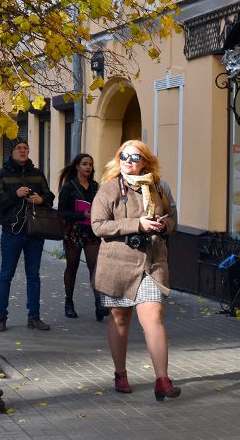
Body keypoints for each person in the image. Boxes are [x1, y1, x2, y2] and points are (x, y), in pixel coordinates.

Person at [91, 140, 180, 401]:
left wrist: (164, 226)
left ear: (145, 162)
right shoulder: (108, 190)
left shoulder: (159, 188)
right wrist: (136, 225)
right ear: (118, 160)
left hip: (152, 262)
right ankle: (120, 372)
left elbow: (173, 220)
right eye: (124, 156)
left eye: (135, 157)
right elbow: (98, 226)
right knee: (120, 319)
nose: (129, 161)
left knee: (154, 316)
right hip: (118, 264)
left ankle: (162, 380)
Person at [0, 137, 54, 332]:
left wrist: (41, 199)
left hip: (35, 231)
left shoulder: (37, 174)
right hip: (12, 232)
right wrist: (14, 194)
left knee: (33, 275)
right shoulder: (1, 175)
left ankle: (34, 317)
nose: (23, 151)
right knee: (6, 275)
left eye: (26, 148)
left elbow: (50, 196)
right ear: (11, 152)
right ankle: (1, 318)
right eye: (19, 148)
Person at [57, 153, 106, 321]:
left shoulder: (94, 186)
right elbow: (62, 213)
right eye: (84, 164)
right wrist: (81, 214)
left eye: (90, 165)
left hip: (91, 230)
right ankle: (68, 302)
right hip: (73, 231)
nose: (88, 167)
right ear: (77, 166)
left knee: (95, 267)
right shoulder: (68, 187)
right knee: (72, 266)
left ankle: (99, 303)